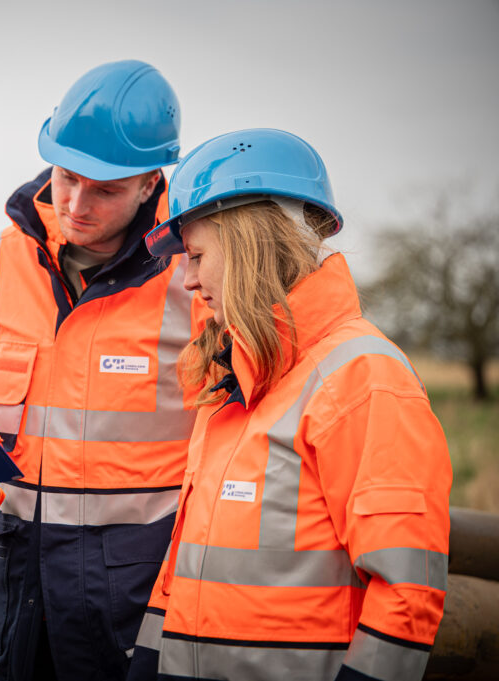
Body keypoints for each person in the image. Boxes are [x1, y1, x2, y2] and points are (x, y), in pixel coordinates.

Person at [129, 128, 450, 681]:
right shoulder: (232, 386)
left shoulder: (364, 378)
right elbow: (186, 567)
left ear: (252, 244)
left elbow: (408, 590)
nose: (187, 279)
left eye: (197, 255)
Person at [0, 60, 202, 680]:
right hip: (12, 583)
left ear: (150, 182)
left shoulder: (197, 280)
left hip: (140, 589)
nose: (76, 205)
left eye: (105, 189)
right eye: (66, 179)